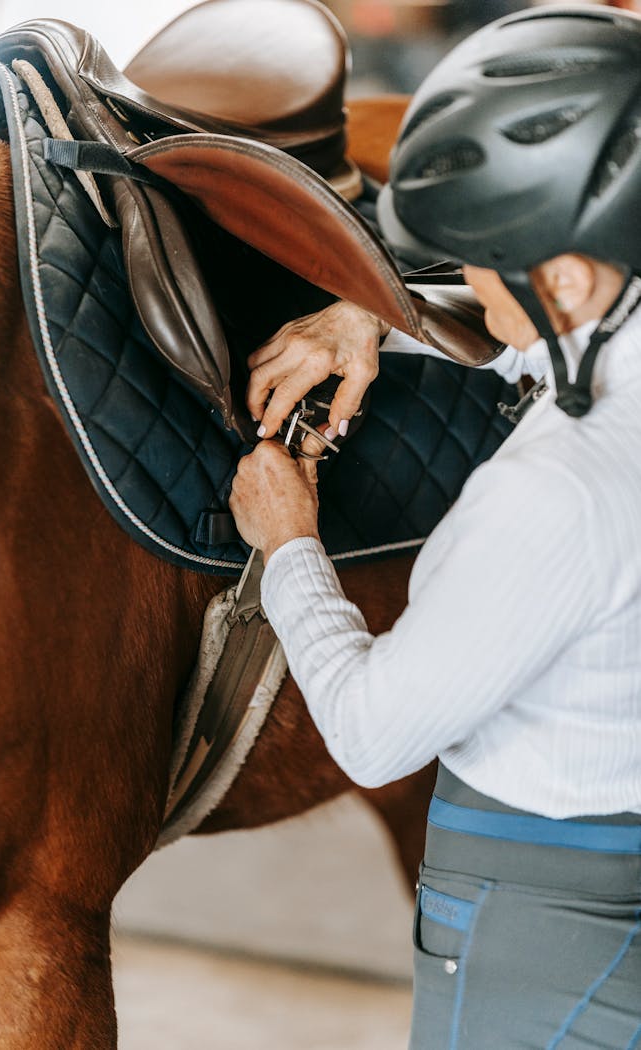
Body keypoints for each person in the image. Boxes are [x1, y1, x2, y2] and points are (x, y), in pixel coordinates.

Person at [229, 6, 641, 1047]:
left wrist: (288, 546)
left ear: (565, 280)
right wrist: (374, 316)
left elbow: (374, 736)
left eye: (488, 261)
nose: (474, 281)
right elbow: (546, 351)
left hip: (534, 919)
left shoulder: (559, 486)